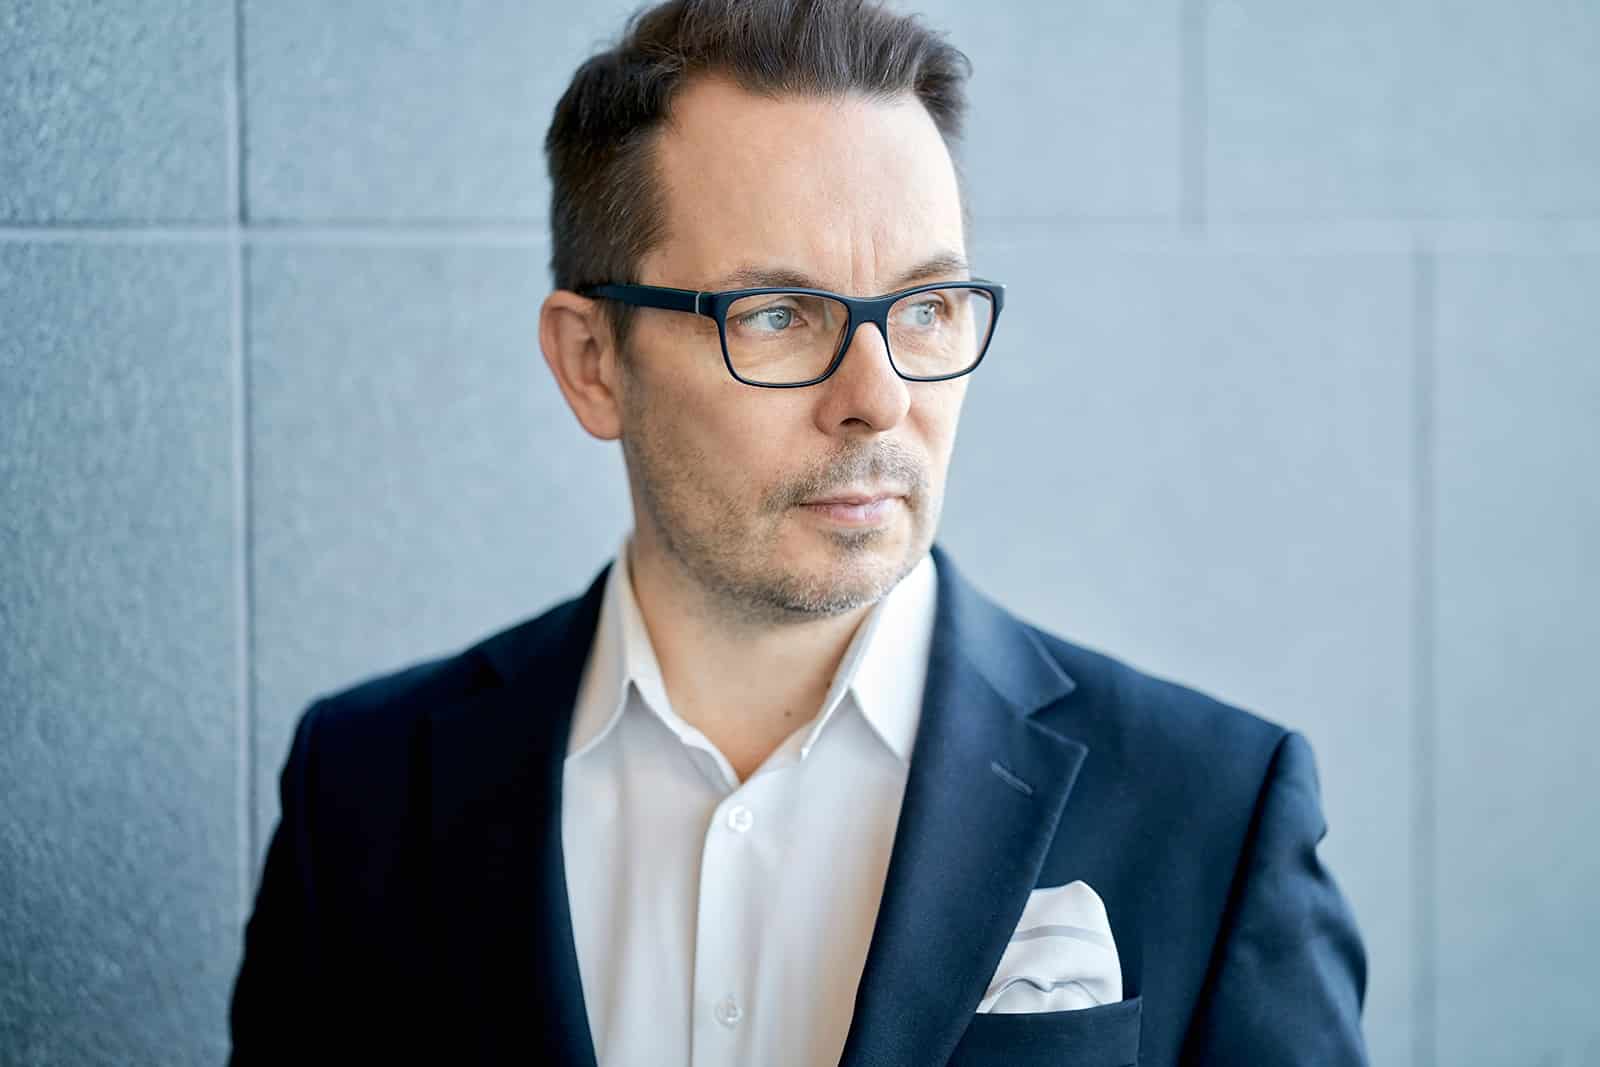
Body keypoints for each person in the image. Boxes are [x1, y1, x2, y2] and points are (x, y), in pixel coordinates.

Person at [228, 1, 1369, 1063]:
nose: (878, 396)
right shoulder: (365, 790)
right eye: (776, 314)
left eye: (925, 308)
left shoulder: (1211, 808)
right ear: (592, 363)